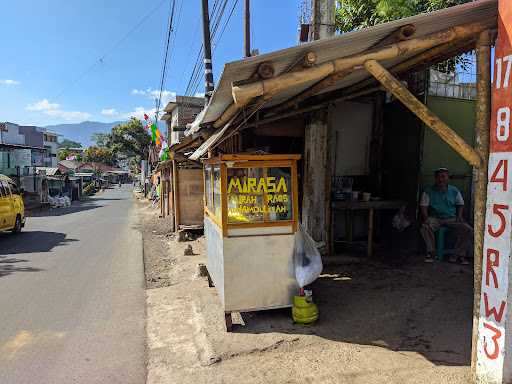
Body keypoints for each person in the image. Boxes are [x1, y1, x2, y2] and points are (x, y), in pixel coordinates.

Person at [420, 168, 472, 265]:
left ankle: (458, 255)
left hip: (451, 218)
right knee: (425, 227)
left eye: (444, 177)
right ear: (435, 179)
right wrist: (426, 218)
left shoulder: (454, 190)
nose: (441, 179)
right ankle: (431, 252)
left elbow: (460, 204)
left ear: (448, 178)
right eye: (438, 177)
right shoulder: (428, 191)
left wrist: (459, 216)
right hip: (435, 218)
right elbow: (424, 206)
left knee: (467, 229)